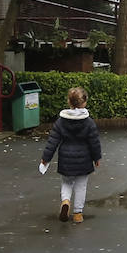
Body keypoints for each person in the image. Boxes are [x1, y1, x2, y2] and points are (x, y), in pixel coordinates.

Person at [40, 87, 103, 225]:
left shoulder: (61, 121)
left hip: (66, 159)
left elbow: (53, 141)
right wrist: (96, 158)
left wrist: (46, 158)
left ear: (69, 101)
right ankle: (78, 213)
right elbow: (94, 142)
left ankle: (66, 201)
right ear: (84, 102)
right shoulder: (88, 122)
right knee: (81, 186)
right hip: (84, 159)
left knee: (67, 182)